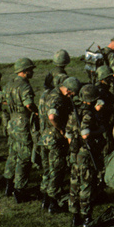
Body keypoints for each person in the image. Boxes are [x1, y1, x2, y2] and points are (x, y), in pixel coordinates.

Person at [67, 84, 106, 227]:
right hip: (86, 153)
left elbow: (69, 134)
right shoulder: (89, 114)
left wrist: (74, 147)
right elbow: (85, 133)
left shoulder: (75, 112)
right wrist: (100, 131)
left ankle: (75, 214)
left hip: (76, 152)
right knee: (87, 185)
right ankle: (86, 216)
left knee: (75, 183)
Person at [41, 76, 79, 213]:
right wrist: (60, 128)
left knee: (48, 169)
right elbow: (52, 116)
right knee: (57, 170)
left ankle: (45, 199)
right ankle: (53, 203)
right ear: (68, 90)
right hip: (55, 138)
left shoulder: (50, 93)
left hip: (45, 136)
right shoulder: (57, 99)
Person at [3, 57, 39, 203]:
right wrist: (36, 112)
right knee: (24, 156)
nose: (32, 72)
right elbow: (29, 104)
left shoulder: (9, 84)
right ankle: (20, 189)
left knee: (13, 153)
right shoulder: (24, 86)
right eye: (30, 70)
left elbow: (1, 98)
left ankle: (8, 184)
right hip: (23, 122)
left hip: (12, 122)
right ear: (25, 71)